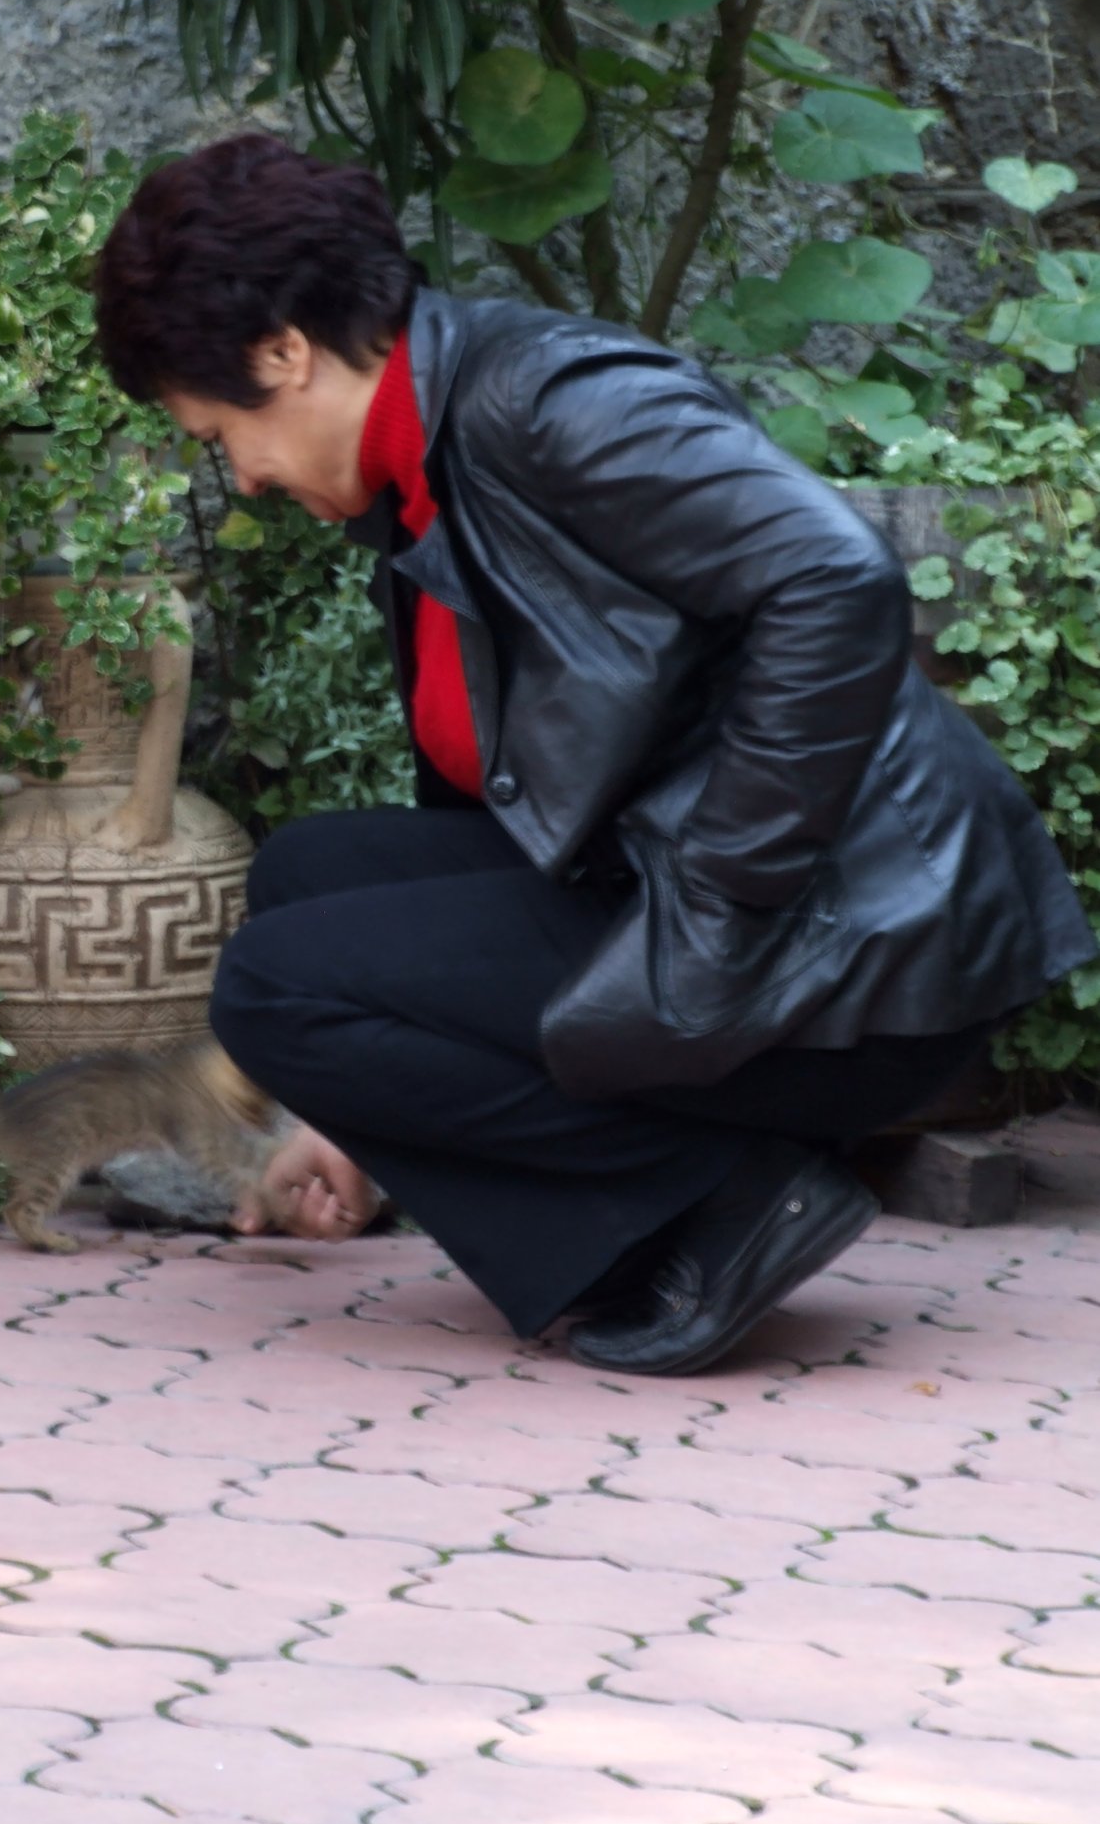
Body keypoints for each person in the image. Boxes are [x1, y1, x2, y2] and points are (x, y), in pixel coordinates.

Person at [94, 134, 1096, 1375]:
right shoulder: (419, 467)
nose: (241, 476)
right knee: (307, 880)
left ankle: (722, 1207)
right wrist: (375, 1108)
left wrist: (719, 913)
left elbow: (834, 582)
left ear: (283, 353)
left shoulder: (550, 401)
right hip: (721, 901)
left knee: (272, 987)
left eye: (217, 433)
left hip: (869, 953)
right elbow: (496, 804)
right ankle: (693, 1194)